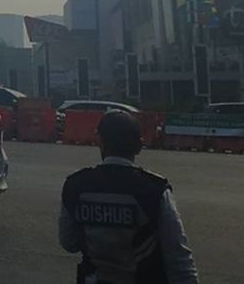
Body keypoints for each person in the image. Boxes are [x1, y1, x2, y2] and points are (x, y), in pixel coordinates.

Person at [59, 110, 199, 284]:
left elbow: (68, 242)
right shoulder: (154, 190)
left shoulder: (75, 185)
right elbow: (178, 256)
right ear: (139, 146)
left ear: (100, 141)